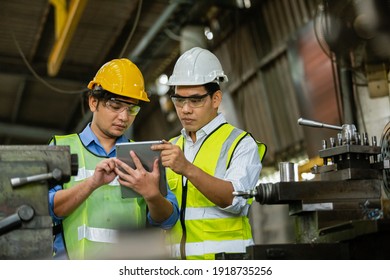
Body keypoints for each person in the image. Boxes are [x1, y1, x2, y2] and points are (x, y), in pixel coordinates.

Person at [48, 58, 179, 260]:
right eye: (115, 106)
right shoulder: (61, 148)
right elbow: (45, 210)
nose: (124, 117)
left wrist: (152, 195)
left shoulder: (143, 156)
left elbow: (168, 220)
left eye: (131, 109)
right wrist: (92, 184)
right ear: (93, 102)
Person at [152, 47, 267, 260]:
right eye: (179, 100)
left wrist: (186, 168)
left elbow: (235, 200)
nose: (185, 109)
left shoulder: (241, 144)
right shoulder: (171, 147)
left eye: (195, 101)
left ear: (215, 99)